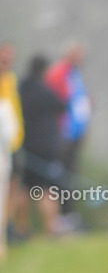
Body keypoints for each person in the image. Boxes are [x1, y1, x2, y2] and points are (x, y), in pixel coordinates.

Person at [19, 56, 68, 237]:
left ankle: (21, 227)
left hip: (26, 144)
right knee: (47, 188)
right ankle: (51, 228)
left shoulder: (22, 88)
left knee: (25, 186)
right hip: (47, 146)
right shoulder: (47, 91)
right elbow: (63, 106)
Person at [45, 41, 91, 228]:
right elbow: (55, 101)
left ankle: (69, 216)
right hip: (63, 134)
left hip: (75, 136)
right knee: (60, 176)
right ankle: (59, 218)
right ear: (69, 53)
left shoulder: (75, 74)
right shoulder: (59, 72)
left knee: (70, 176)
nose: (81, 57)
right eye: (77, 53)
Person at [0, 42, 25, 254]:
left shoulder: (11, 79)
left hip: (13, 141)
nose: (6, 60)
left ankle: (8, 224)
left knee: (13, 185)